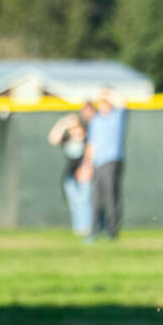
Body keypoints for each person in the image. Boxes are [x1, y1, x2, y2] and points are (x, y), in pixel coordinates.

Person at [81, 88, 126, 240]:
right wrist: (87, 164)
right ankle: (93, 231)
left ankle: (112, 231)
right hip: (97, 163)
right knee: (95, 198)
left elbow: (122, 103)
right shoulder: (96, 121)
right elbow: (91, 144)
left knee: (110, 197)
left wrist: (108, 93)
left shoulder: (116, 117)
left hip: (111, 162)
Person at [47, 102, 95, 237]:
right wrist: (63, 123)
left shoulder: (87, 138)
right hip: (70, 174)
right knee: (75, 202)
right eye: (72, 128)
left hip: (84, 173)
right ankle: (78, 229)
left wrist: (86, 167)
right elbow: (53, 139)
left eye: (76, 127)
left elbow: (90, 152)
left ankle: (87, 227)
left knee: (85, 201)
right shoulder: (67, 138)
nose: (74, 130)